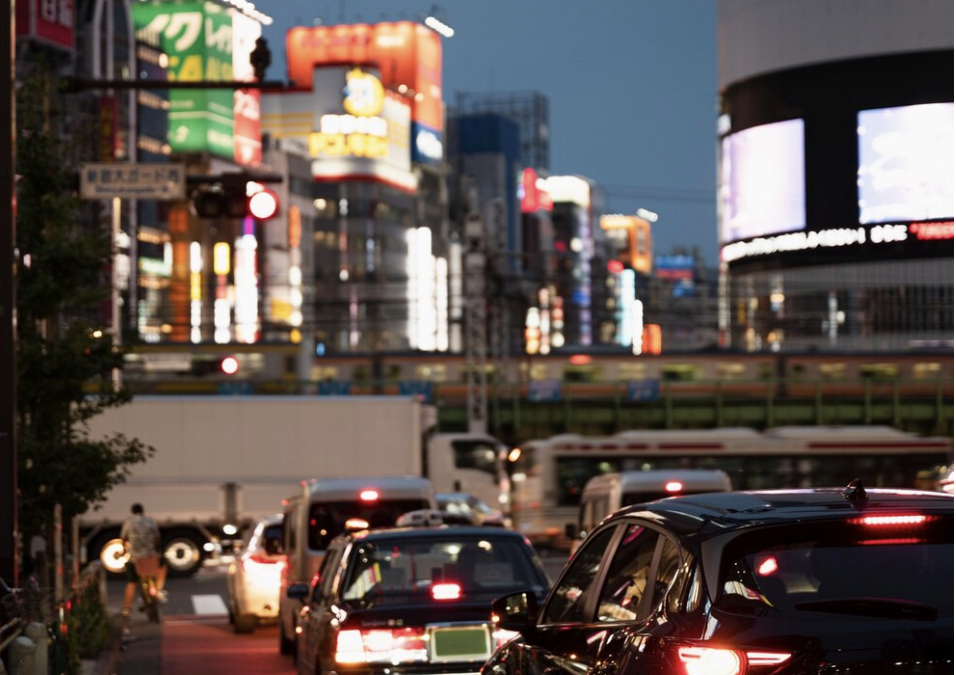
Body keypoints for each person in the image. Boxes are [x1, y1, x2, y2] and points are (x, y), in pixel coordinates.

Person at [120, 503, 168, 622]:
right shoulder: (150, 521)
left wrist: (124, 550)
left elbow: (123, 539)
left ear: (132, 512)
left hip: (135, 558)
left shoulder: (129, 522)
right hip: (151, 557)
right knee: (162, 566)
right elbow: (157, 538)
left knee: (131, 582)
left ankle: (126, 609)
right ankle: (159, 589)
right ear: (143, 511)